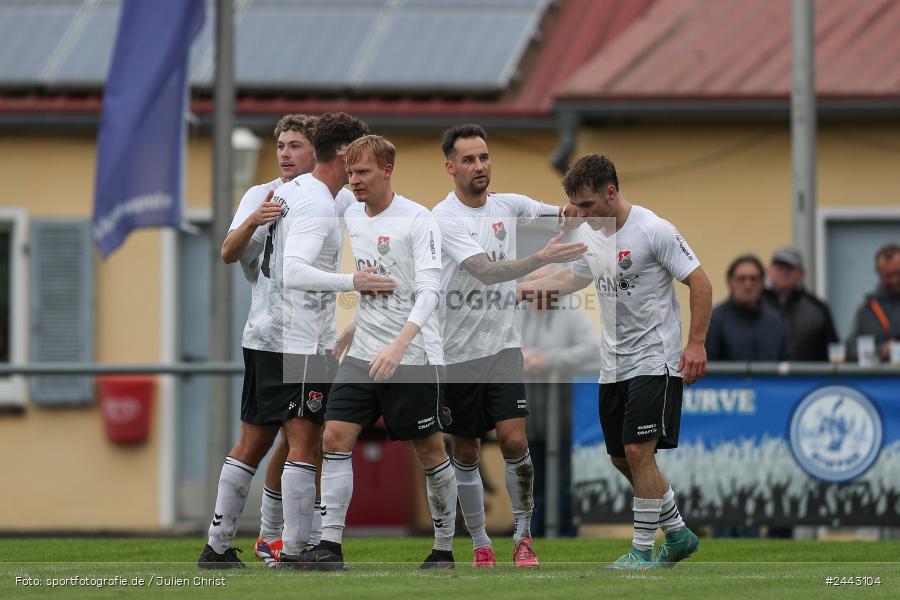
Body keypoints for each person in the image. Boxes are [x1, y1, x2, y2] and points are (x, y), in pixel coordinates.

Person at [518, 153, 712, 570]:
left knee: (637, 451)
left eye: (587, 205)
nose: (582, 215)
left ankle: (642, 550)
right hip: (614, 365)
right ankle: (677, 532)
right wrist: (521, 287)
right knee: (622, 458)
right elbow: (574, 278)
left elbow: (701, 282)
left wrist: (696, 344)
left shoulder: (654, 230)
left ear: (611, 192)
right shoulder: (592, 235)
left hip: (653, 360)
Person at [282, 135, 458, 570]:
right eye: (351, 172)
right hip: (362, 355)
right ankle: (331, 546)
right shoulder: (354, 217)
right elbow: (376, 282)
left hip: (413, 356)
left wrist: (399, 346)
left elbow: (429, 290)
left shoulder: (418, 219)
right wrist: (354, 328)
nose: (354, 181)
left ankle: (443, 548)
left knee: (430, 450)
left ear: (387, 170)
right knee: (335, 437)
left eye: (363, 172)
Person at [432, 124, 586, 568]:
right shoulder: (444, 218)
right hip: (458, 353)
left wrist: (588, 205)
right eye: (468, 159)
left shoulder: (509, 205)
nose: (479, 166)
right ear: (450, 167)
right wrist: (541, 259)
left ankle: (523, 537)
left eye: (484, 157)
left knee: (515, 440)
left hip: (503, 349)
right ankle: (481, 542)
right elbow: (485, 271)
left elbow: (560, 214)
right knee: (465, 450)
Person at [199, 114, 319, 568]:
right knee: (294, 440)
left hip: (311, 337)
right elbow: (228, 252)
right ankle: (290, 550)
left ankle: (225, 546)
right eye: (282, 146)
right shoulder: (259, 194)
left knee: (285, 441)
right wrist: (254, 218)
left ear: (314, 152)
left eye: (295, 145)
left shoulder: (330, 197)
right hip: (276, 334)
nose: (286, 153)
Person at [519, 265, 602, 538]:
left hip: (565, 418)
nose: (534, 291)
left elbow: (593, 352)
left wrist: (548, 360)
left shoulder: (571, 312)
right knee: (533, 483)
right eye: (530, 285)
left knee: (563, 483)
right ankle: (533, 537)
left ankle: (562, 536)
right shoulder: (518, 314)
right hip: (527, 419)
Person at [707, 255, 790, 362]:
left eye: (753, 279)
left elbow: (786, 363)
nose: (748, 284)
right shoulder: (716, 320)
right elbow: (709, 366)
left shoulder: (775, 321)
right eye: (742, 279)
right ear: (730, 282)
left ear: (762, 283)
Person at [762, 246, 838, 361]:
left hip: (808, 377)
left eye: (789, 268)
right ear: (769, 271)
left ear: (802, 274)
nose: (784, 273)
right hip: (764, 377)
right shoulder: (755, 305)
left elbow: (833, 352)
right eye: (779, 267)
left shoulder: (818, 308)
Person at [847, 243, 900, 362]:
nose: (894, 280)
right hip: (877, 380)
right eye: (888, 276)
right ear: (878, 274)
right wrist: (880, 351)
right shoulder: (867, 309)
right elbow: (850, 351)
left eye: (898, 273)